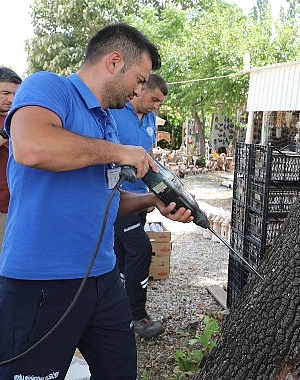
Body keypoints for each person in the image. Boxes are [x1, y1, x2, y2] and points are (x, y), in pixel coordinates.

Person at [0, 23, 193, 379]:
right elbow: (32, 146)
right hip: (41, 282)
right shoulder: (49, 87)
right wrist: (120, 152)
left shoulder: (107, 123)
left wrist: (152, 199)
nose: (140, 89)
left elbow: (106, 201)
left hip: (103, 279)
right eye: (141, 78)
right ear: (114, 62)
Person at [111, 73, 168, 338]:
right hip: (116, 197)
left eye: (160, 102)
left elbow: (149, 157)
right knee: (140, 250)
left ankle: (117, 312)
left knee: (122, 255)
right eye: (154, 99)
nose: (157, 105)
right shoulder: (114, 110)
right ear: (141, 89)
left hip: (140, 199)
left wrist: (153, 191)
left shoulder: (152, 119)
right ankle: (137, 316)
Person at [0, 67, 21, 304]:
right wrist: (4, 132)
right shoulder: (7, 124)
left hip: (18, 206)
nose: (11, 99)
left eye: (15, 94)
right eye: (5, 93)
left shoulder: (19, 117)